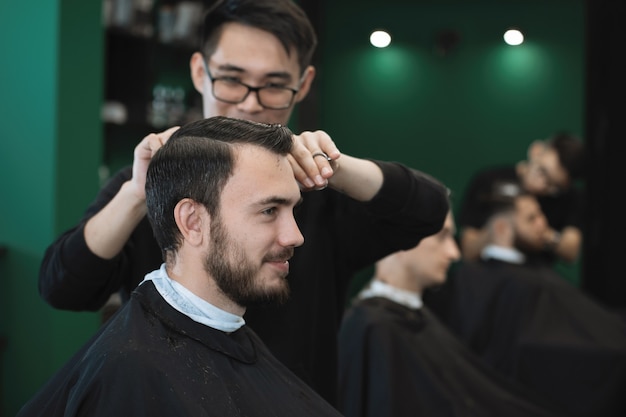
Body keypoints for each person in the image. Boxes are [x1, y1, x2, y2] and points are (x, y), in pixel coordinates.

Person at [38, 0, 450, 405]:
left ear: (302, 84)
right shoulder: (145, 192)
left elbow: (428, 209)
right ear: (201, 72)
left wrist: (335, 168)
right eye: (232, 79)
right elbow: (63, 286)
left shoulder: (322, 196)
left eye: (273, 85)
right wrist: (137, 191)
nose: (251, 103)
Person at [18, 116, 345, 417]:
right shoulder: (132, 373)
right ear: (192, 222)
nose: (295, 236)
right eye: (269, 210)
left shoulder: (228, 336)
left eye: (293, 210)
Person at [338, 208, 566, 417]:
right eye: (442, 237)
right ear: (400, 241)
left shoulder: (413, 316)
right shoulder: (374, 328)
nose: (454, 252)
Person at [425, 185, 626, 417]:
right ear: (501, 228)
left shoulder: (530, 273)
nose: (543, 223)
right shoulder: (485, 282)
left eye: (540, 214)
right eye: (532, 218)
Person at [457, 132, 585, 267]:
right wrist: (503, 226)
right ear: (536, 151)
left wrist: (543, 232)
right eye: (542, 172)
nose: (541, 186)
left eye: (554, 187)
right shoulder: (488, 181)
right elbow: (468, 250)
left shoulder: (570, 198)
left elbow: (571, 251)